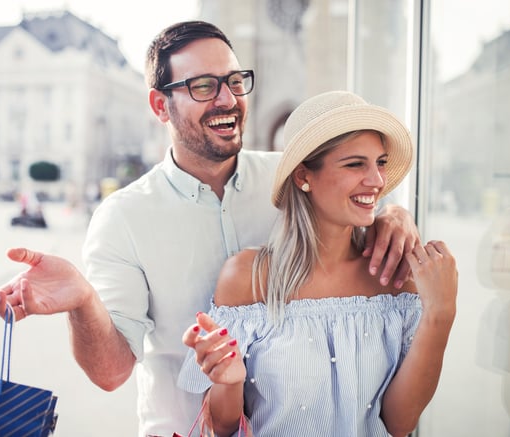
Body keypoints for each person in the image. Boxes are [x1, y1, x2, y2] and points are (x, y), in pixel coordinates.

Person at [0, 22, 421, 436]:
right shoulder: (122, 217)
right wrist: (82, 300)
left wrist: (392, 217)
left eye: (233, 80)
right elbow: (110, 373)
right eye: (203, 86)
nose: (227, 99)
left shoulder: (293, 181)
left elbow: (356, 198)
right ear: (159, 105)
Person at [179, 90, 458, 436]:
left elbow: (399, 424)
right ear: (303, 176)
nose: (377, 181)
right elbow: (220, 426)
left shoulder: (394, 277)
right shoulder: (248, 277)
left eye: (380, 162)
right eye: (356, 164)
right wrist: (230, 381)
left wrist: (440, 315)